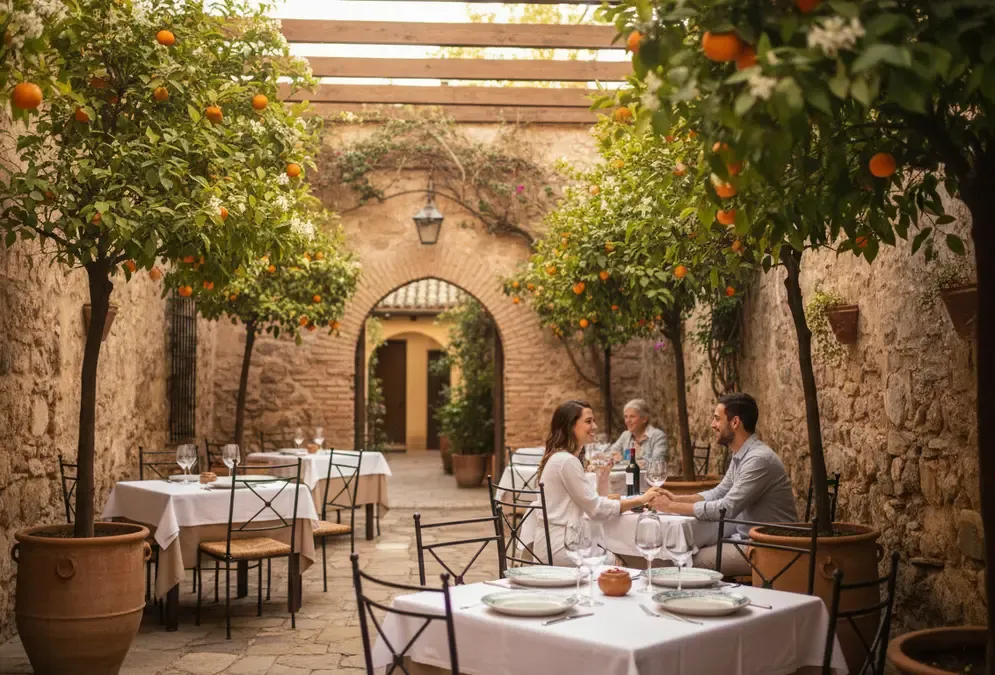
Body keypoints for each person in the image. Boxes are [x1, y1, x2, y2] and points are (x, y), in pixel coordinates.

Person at [649, 392, 797, 576]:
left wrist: (671, 507)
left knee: (684, 561)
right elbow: (719, 492)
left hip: (770, 548)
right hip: (746, 538)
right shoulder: (741, 454)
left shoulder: (758, 459)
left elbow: (726, 508)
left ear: (735, 422)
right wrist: (676, 499)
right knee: (679, 551)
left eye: (717, 419)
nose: (712, 425)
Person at [534, 400, 663, 566]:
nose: (594, 426)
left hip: (558, 542)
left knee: (615, 551)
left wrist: (602, 478)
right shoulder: (566, 461)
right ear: (570, 426)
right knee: (622, 562)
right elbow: (596, 510)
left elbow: (591, 503)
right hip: (562, 547)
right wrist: (641, 499)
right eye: (588, 421)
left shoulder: (561, 458)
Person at [608, 398, 669, 464]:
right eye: (626, 417)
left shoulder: (658, 436)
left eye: (632, 416)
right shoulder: (625, 435)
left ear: (644, 419)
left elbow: (657, 462)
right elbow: (610, 453)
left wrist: (640, 455)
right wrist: (614, 456)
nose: (628, 421)